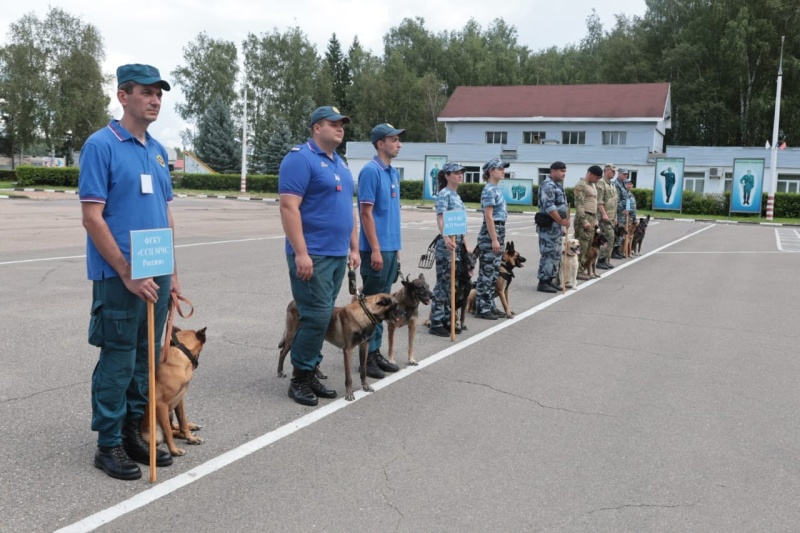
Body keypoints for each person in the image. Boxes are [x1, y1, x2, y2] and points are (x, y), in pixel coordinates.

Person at [79, 64, 178, 480]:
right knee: (119, 359)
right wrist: (125, 271)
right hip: (121, 277)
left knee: (144, 358)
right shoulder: (101, 145)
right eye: (146, 93)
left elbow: (165, 212)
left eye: (159, 93)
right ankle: (108, 444)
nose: (155, 100)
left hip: (157, 273)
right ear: (123, 96)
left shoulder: (156, 150)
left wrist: (174, 275)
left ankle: (132, 429)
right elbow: (92, 217)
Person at [279, 106, 360, 407]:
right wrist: (301, 252)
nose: (340, 128)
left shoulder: (340, 162)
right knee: (314, 317)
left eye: (342, 124)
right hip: (312, 253)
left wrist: (353, 246)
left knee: (323, 314)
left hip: (336, 254)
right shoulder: (300, 159)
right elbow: (289, 207)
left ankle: (311, 368)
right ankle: (300, 378)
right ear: (316, 128)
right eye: (333, 124)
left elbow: (348, 210)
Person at [357, 123, 406, 379]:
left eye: (398, 140)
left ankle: (374, 353)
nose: (398, 144)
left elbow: (392, 216)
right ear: (380, 144)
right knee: (371, 306)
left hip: (389, 248)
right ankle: (366, 357)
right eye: (394, 140)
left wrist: (396, 250)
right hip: (375, 250)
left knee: (383, 304)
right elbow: (366, 213)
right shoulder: (370, 171)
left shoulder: (392, 173)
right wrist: (375, 249)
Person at [429, 162, 469, 336]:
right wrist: (445, 237)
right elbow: (441, 218)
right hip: (447, 245)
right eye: (455, 173)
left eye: (461, 172)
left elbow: (459, 222)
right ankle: (436, 321)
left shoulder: (455, 195)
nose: (459, 175)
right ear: (447, 176)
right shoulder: (444, 194)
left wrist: (465, 243)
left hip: (457, 243)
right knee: (443, 284)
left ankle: (446, 318)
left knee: (452, 283)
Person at [474, 158, 509, 319]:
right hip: (491, 233)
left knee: (494, 272)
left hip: (498, 230)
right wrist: (494, 239)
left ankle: (489, 304)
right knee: (487, 273)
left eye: (503, 168)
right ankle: (482, 307)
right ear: (490, 171)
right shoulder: (489, 190)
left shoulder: (495, 189)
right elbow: (488, 216)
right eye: (499, 168)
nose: (503, 170)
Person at [536, 161, 570, 293]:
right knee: (548, 253)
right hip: (548, 225)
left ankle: (550, 279)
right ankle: (543, 281)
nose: (563, 174)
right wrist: (561, 221)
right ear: (553, 171)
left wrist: (562, 222)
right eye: (561, 171)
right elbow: (550, 207)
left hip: (555, 226)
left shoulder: (557, 185)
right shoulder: (548, 185)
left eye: (564, 171)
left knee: (556, 254)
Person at [573, 165, 602, 281]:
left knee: (588, 246)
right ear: (590, 174)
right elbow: (579, 204)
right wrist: (584, 220)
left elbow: (593, 202)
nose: (598, 180)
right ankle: (577, 270)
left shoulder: (592, 185)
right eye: (597, 177)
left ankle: (582, 268)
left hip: (591, 217)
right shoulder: (581, 185)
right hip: (583, 218)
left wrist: (595, 219)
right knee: (582, 246)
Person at [595, 163, 618, 270]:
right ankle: (600, 260)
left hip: (612, 217)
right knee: (609, 237)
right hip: (604, 217)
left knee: (611, 238)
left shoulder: (612, 184)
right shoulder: (601, 183)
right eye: (612, 171)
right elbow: (599, 201)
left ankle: (604, 259)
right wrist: (604, 214)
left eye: (614, 171)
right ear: (607, 171)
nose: (614, 173)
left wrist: (616, 216)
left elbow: (614, 202)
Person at [612, 168, 630, 260]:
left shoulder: (623, 184)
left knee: (622, 232)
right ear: (619, 174)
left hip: (624, 211)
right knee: (619, 231)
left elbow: (626, 197)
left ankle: (617, 250)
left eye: (627, 174)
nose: (625, 176)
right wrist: (622, 209)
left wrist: (627, 208)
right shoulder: (616, 184)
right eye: (624, 174)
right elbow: (617, 199)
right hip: (619, 212)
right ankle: (614, 250)